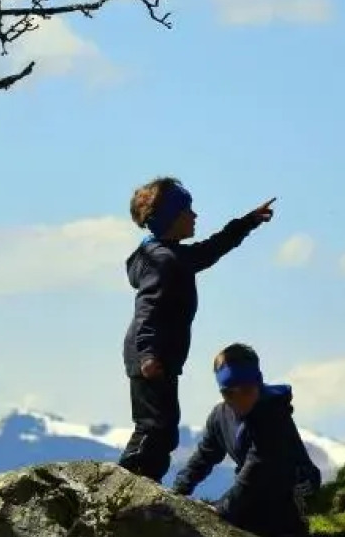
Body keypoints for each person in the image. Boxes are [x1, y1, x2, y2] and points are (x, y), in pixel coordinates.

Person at [117, 178, 275, 481]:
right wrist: (148, 354)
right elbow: (146, 309)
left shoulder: (173, 255)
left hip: (158, 357)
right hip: (150, 357)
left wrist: (248, 222)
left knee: (160, 427)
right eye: (187, 210)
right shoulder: (162, 261)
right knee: (156, 428)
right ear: (170, 218)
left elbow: (212, 248)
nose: (195, 215)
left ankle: (134, 486)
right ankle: (126, 489)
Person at [171, 343, 323, 537]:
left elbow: (256, 472)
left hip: (292, 485)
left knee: (266, 529)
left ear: (258, 384)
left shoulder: (273, 416)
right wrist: (178, 490)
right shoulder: (220, 417)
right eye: (228, 393)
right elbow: (205, 456)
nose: (238, 399)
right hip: (256, 485)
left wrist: (220, 509)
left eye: (245, 390)